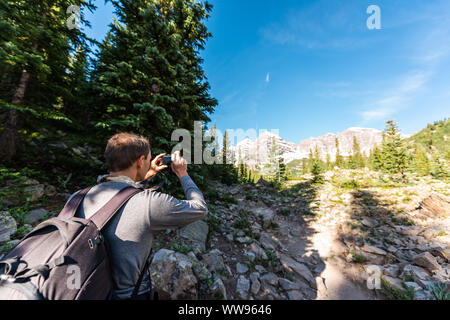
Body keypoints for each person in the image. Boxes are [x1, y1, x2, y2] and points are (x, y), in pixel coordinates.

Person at [67, 132, 208, 300]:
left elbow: (121, 195)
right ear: (141, 161)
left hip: (79, 291)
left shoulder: (77, 197)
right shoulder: (148, 202)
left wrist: (145, 176)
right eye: (148, 159)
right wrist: (182, 173)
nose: (150, 162)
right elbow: (200, 208)